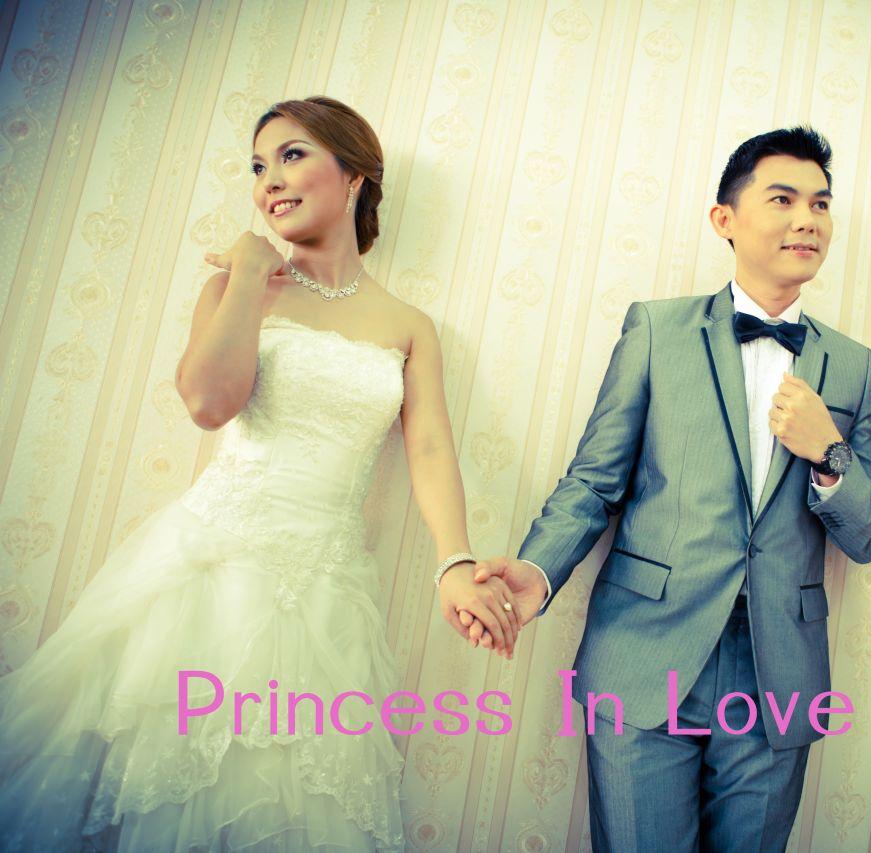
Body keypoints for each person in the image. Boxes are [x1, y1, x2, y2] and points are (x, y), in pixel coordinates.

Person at [0, 96, 516, 851]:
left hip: (327, 592)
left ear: (355, 176)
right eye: (257, 165)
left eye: (292, 155)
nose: (269, 179)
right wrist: (248, 273)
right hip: (209, 573)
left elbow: (431, 448)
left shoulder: (410, 327)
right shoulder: (233, 289)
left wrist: (455, 562)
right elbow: (208, 404)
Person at [472, 126, 871, 850]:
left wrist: (829, 450)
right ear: (724, 219)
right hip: (645, 652)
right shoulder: (657, 329)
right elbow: (595, 480)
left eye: (821, 204)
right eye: (784, 199)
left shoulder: (853, 366)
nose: (808, 219)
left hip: (777, 671)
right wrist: (537, 571)